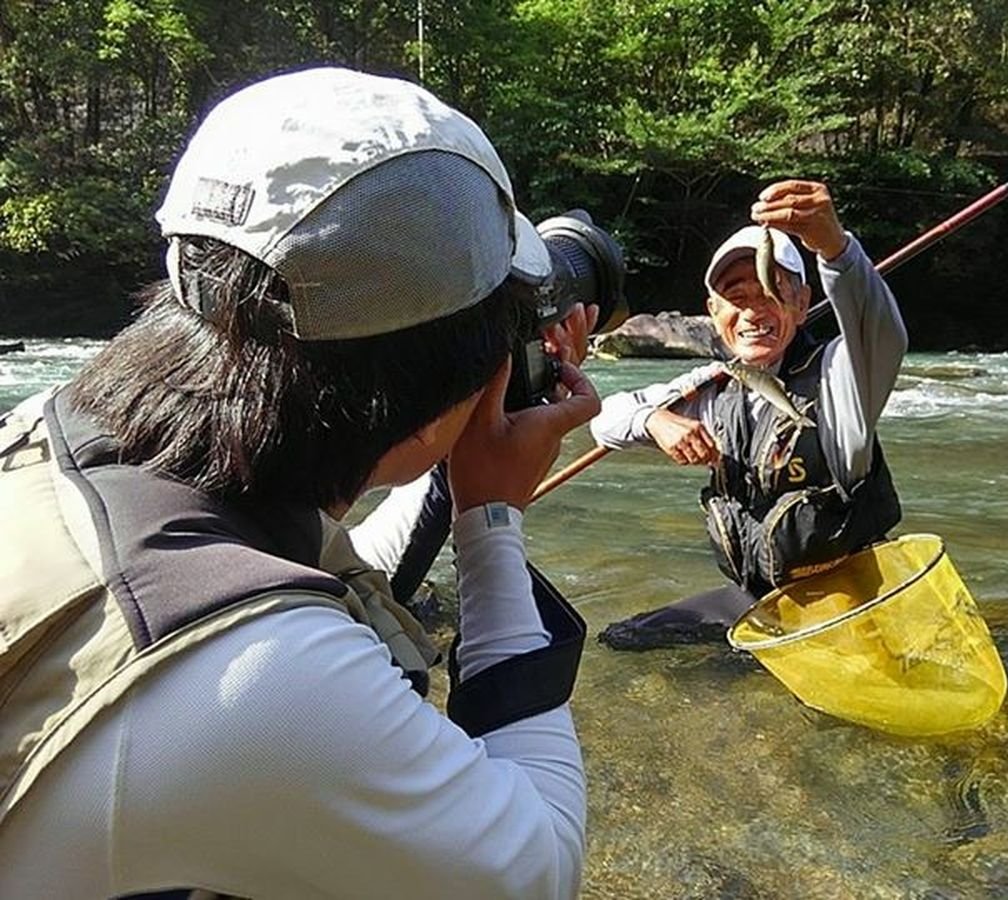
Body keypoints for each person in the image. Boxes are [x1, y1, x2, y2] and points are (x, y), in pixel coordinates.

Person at [0, 68, 599, 899]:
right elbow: (536, 869)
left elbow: (322, 572)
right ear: (425, 417)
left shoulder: (55, 426)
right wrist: (491, 523)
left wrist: (449, 478)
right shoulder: (258, 679)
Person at [590, 180, 907, 649]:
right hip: (763, 598)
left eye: (772, 293)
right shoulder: (713, 387)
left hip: (853, 601)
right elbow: (604, 416)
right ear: (714, 313)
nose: (754, 312)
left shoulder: (844, 377)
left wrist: (835, 248)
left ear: (802, 305)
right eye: (737, 298)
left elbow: (880, 332)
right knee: (621, 640)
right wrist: (654, 421)